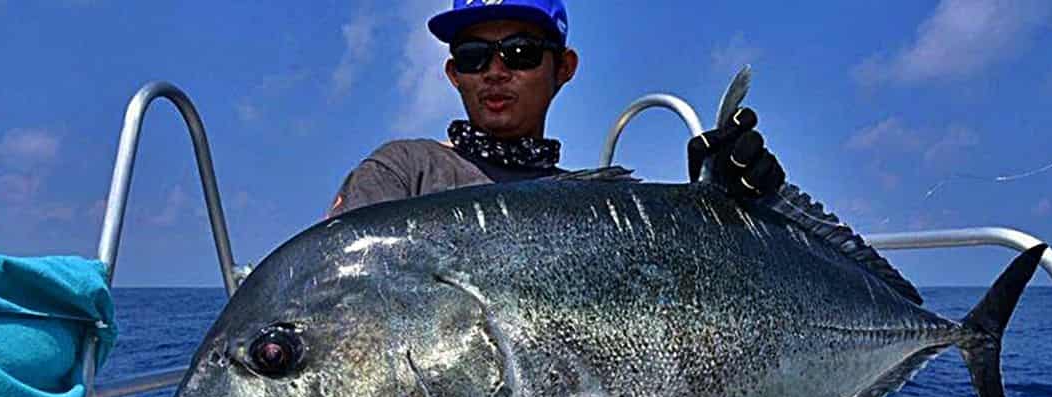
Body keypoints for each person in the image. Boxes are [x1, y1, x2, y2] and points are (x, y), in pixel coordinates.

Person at [327, 0, 785, 219]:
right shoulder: (404, 172)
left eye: (521, 52)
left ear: (563, 68)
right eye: (473, 56)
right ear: (454, 73)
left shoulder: (600, 210)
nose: (495, 70)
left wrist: (727, 213)